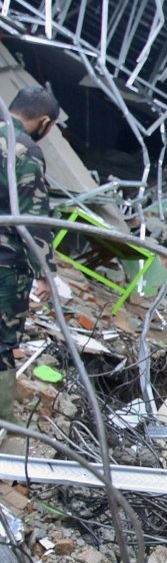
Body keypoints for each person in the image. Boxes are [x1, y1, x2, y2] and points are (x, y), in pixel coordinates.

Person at [0, 87, 59, 427]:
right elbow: (32, 216)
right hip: (5, 265)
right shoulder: (25, 149)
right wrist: (45, 272)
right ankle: (3, 425)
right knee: (2, 347)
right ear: (45, 122)